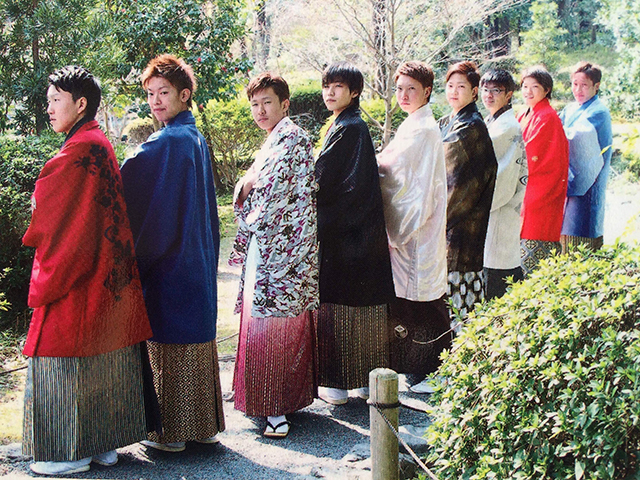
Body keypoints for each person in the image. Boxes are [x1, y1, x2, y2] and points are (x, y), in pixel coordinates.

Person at [21, 65, 153, 476]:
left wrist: (37, 202)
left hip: (79, 273)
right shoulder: (97, 142)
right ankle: (102, 444)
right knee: (103, 352)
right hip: (106, 272)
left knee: (62, 350)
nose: (49, 108)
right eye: (48, 101)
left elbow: (53, 217)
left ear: (81, 104)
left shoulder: (78, 151)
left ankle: (68, 453)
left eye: (55, 100)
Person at [121, 54, 225, 452]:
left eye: (163, 92)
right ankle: (200, 426)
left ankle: (171, 433)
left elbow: (127, 180)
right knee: (193, 335)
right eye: (150, 94)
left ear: (184, 94)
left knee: (169, 334)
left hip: (171, 258)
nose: (155, 101)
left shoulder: (168, 140)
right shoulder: (193, 137)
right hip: (195, 254)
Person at [230, 72, 318, 438]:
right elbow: (251, 186)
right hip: (269, 246)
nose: (260, 110)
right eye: (254, 104)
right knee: (265, 323)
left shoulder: (293, 139)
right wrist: (246, 187)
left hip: (284, 250)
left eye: (267, 102)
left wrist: (247, 190)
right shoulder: (275, 139)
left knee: (275, 327)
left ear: (285, 104)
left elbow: (272, 194)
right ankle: (263, 399)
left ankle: (276, 408)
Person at [314, 62, 395, 405]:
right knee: (364, 307)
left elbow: (322, 177)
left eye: (338, 86)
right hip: (359, 231)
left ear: (355, 91)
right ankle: (365, 380)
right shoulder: (348, 124)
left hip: (345, 232)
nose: (330, 92)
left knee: (341, 306)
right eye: (326, 86)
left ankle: (338, 384)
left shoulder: (349, 127)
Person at [377, 61, 450, 394]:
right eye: (399, 88)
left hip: (418, 224)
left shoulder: (423, 129)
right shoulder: (414, 124)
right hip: (418, 225)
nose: (403, 95)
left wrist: (372, 169)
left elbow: (397, 176)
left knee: (422, 301)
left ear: (427, 91)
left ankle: (428, 371)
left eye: (411, 89)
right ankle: (422, 369)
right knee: (419, 300)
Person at [438, 61, 497, 325]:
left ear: (474, 92)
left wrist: (434, 222)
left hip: (461, 233)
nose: (453, 91)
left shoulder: (470, 127)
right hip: (454, 232)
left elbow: (456, 187)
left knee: (459, 312)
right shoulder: (452, 121)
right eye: (450, 85)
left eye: (461, 86)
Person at [480, 69, 528, 299]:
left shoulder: (507, 127)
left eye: (496, 90)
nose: (489, 95)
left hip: (499, 214)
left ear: (509, 94)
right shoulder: (493, 122)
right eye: (485, 90)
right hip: (494, 215)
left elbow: (502, 182)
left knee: (497, 287)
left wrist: (475, 207)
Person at [517, 65, 569, 275]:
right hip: (526, 190)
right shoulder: (524, 113)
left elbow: (529, 154)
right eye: (525, 86)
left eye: (535, 87)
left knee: (533, 258)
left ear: (546, 89)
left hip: (540, 194)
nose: (528, 91)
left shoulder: (547, 117)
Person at [559, 61, 613, 252]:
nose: (578, 90)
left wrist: (553, 134)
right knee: (563, 232)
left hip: (589, 178)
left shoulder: (599, 111)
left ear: (596, 86)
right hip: (569, 177)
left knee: (582, 229)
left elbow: (576, 138)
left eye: (584, 85)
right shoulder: (570, 108)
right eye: (575, 84)